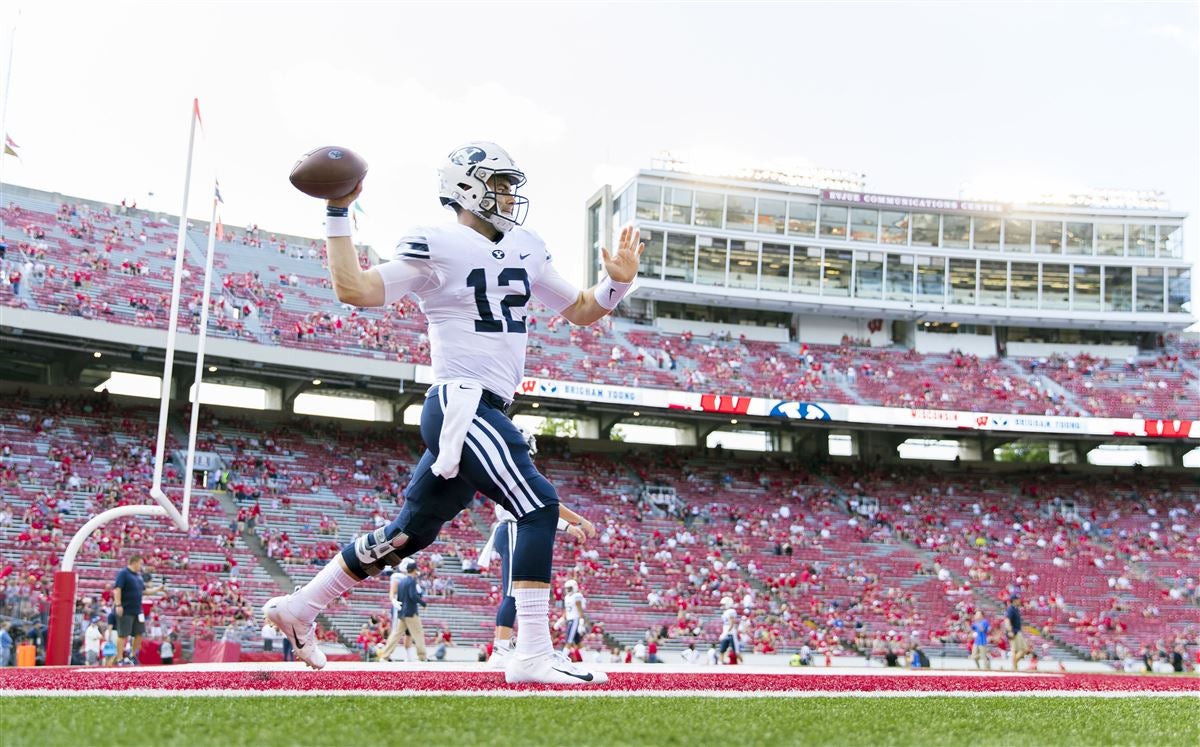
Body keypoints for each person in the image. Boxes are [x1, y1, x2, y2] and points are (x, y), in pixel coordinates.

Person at [264, 141, 642, 685]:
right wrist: (337, 211)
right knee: (538, 507)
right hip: (461, 402)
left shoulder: (527, 246)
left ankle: (302, 606)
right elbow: (356, 288)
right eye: (501, 183)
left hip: (485, 410)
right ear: (466, 187)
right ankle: (533, 653)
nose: (511, 195)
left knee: (409, 533)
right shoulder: (436, 243)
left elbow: (581, 310)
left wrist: (617, 282)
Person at [481, 496, 596, 669]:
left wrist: (568, 526)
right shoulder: (522, 475)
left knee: (511, 594)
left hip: (514, 527)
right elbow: (549, 506)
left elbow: (541, 510)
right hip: (513, 526)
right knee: (512, 594)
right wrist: (580, 521)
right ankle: (501, 650)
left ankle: (501, 648)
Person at [112, 554, 164, 665]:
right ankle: (120, 659)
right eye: (140, 563)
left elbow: (144, 591)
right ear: (134, 562)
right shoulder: (123, 573)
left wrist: (158, 589)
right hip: (126, 609)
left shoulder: (138, 576)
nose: (141, 566)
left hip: (137, 610)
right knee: (123, 635)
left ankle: (132, 655)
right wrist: (118, 605)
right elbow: (117, 589)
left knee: (139, 633)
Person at [1005, 598, 1029, 671]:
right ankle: (1014, 666)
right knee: (1017, 650)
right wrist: (1010, 631)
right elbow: (1007, 620)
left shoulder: (1015, 609)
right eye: (1018, 599)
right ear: (1014, 600)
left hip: (1017, 631)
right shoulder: (1011, 609)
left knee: (1022, 650)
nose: (1020, 601)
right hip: (1014, 632)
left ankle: (1014, 666)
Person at [717, 597, 739, 664]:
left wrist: (725, 633)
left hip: (731, 633)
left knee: (736, 651)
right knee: (722, 649)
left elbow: (731, 623)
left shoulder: (731, 611)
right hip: (726, 632)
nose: (722, 606)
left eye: (723, 604)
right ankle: (721, 661)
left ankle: (741, 662)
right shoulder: (726, 612)